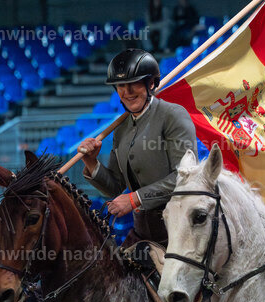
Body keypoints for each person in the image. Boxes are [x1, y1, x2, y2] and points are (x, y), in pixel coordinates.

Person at [77, 49, 196, 246]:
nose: (127, 92)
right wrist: (91, 163)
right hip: (142, 232)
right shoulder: (120, 128)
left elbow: (185, 176)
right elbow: (115, 186)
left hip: (180, 233)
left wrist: (135, 199)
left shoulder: (172, 115)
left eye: (134, 83)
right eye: (121, 85)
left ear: (151, 84)